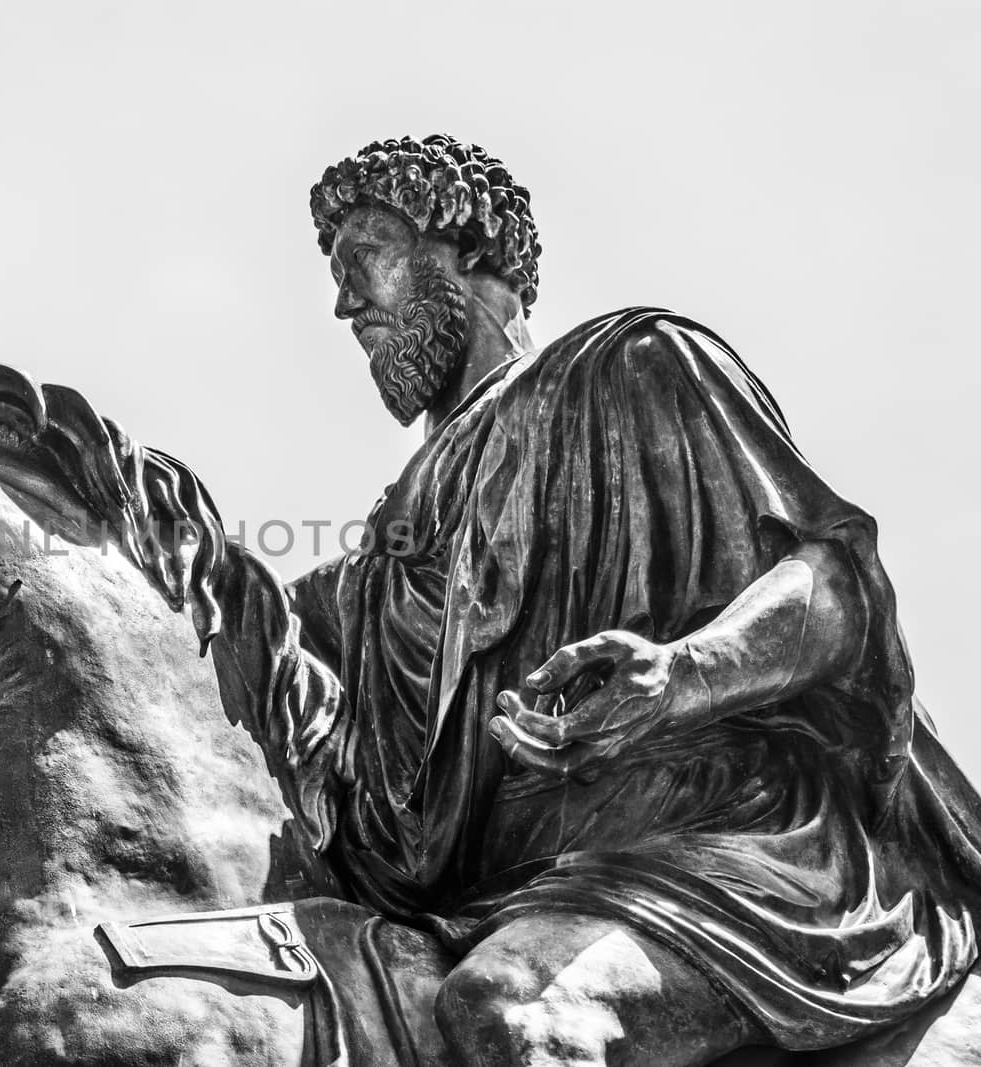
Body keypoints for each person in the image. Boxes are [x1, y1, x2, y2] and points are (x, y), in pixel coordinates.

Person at [273, 134, 981, 1065]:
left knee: (513, 1012)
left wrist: (678, 672)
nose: (343, 303)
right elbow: (243, 640)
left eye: (364, 259)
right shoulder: (377, 560)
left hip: (711, 843)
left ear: (466, 246)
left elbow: (834, 584)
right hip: (516, 890)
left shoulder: (634, 365)